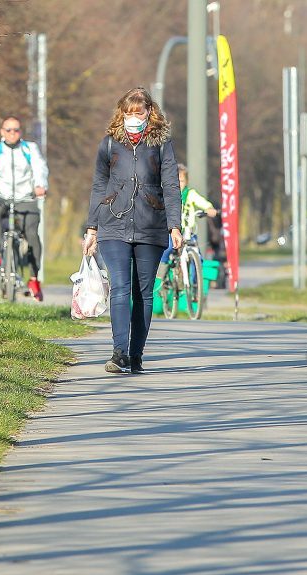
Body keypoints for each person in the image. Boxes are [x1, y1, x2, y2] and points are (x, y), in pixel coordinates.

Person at [82, 87, 182, 374]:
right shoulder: (110, 144)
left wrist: (174, 225)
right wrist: (92, 228)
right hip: (113, 223)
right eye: (128, 113)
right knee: (120, 286)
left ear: (150, 112)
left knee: (144, 292)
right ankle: (119, 352)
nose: (133, 118)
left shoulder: (162, 144)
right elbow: (99, 186)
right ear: (121, 114)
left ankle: (137, 354)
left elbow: (172, 186)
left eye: (138, 113)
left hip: (152, 225)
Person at [0, 116, 49, 301]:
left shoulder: (29, 148)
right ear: (2, 132)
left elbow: (40, 168)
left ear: (20, 132)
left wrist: (40, 185)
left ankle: (33, 278)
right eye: (8, 130)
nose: (12, 133)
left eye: (16, 130)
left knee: (32, 234)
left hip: (26, 198)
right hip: (2, 197)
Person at [155, 163, 218, 285]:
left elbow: (202, 202)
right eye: (176, 181)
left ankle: (195, 283)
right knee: (167, 249)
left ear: (187, 182)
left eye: (182, 181)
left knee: (197, 255)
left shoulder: (190, 194)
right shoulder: (166, 194)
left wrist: (209, 208)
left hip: (188, 231)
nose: (179, 184)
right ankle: (161, 275)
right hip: (172, 231)